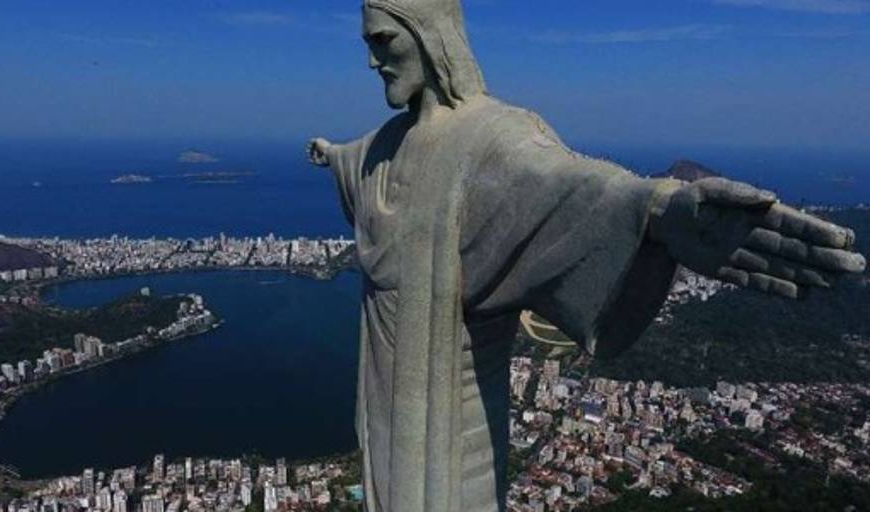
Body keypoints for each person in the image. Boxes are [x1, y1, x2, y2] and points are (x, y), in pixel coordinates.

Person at [306, 1, 867, 511]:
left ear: (429, 35)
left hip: (455, 427)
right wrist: (331, 154)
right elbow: (361, 161)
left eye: (383, 40)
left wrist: (657, 209)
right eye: (368, 44)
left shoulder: (492, 136)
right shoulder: (387, 142)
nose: (373, 60)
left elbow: (567, 183)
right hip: (383, 402)